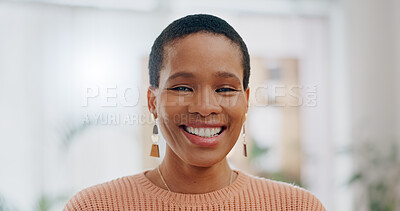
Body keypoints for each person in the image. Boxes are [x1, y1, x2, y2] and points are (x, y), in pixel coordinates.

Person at [64, 14, 326, 210]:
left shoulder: (297, 206)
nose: (204, 107)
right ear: (153, 101)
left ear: (245, 102)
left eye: (224, 89)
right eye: (182, 87)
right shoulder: (93, 206)